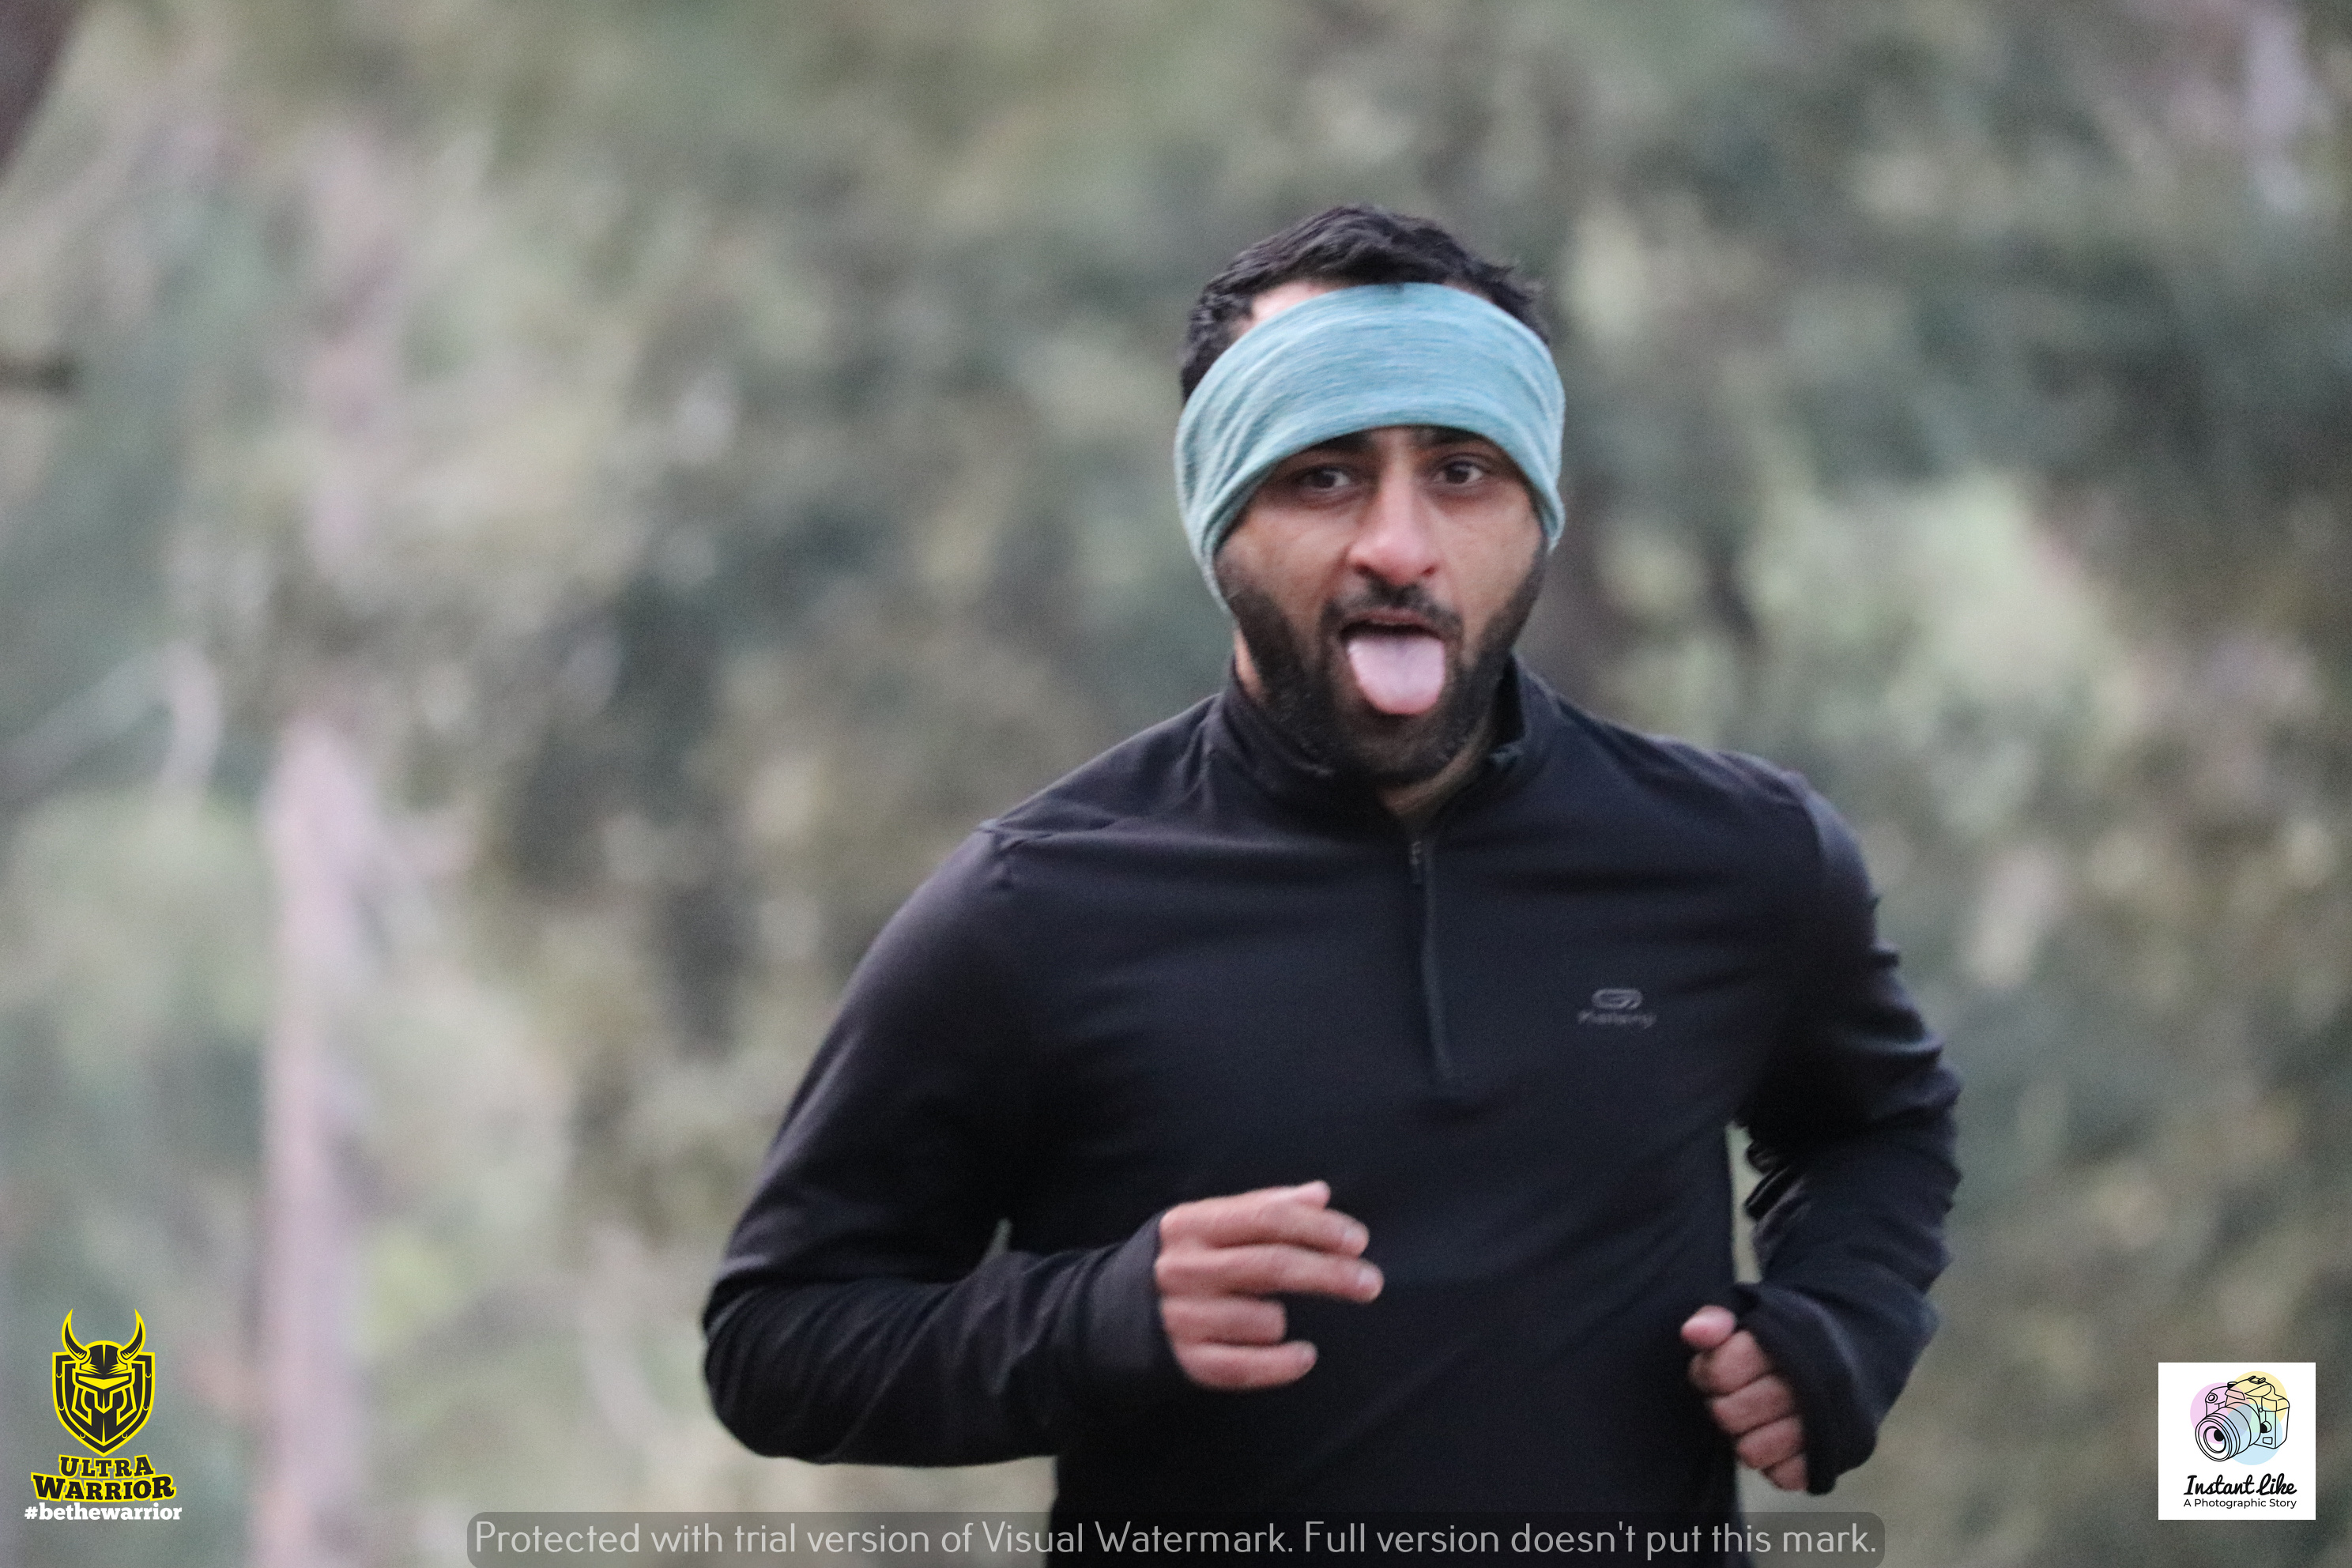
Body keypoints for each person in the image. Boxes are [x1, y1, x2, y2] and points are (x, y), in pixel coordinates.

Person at [703, 205, 1959, 1536]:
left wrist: (1842, 1320)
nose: (1399, 547)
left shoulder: (1737, 859)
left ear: (1538, 514)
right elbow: (778, 1342)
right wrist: (1096, 1318)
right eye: (1324, 476)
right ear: (1220, 518)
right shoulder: (1035, 908)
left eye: (1463, 472)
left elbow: (1876, 1124)